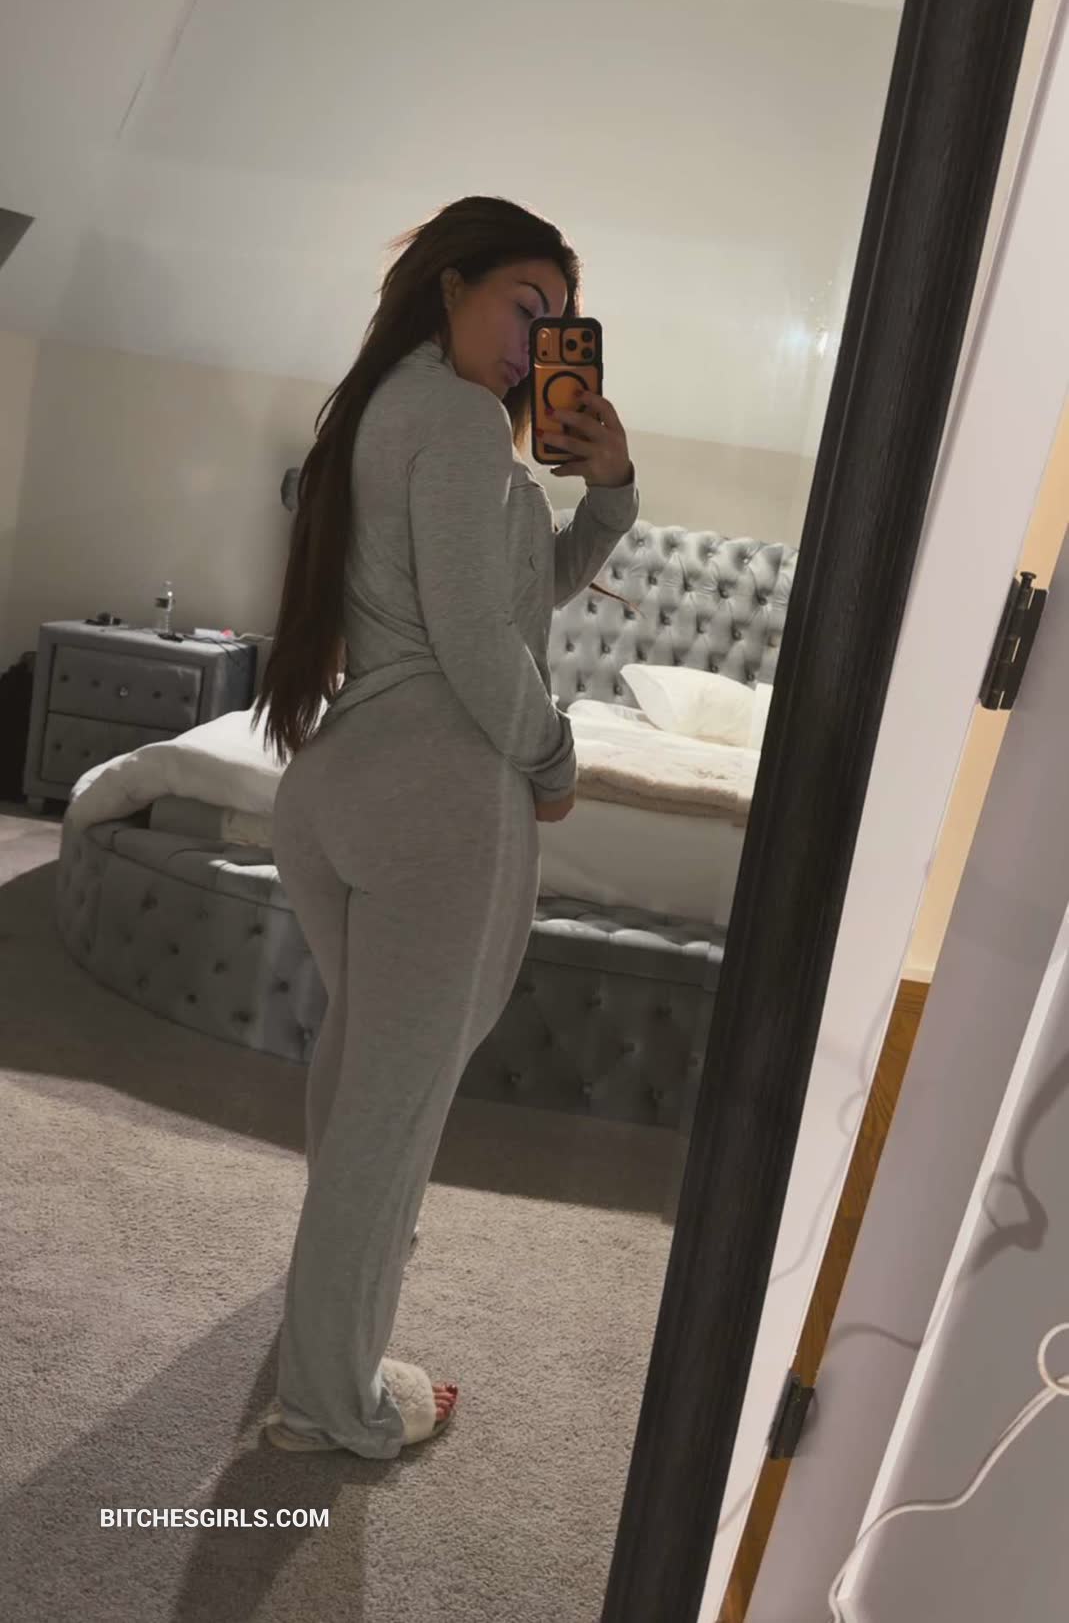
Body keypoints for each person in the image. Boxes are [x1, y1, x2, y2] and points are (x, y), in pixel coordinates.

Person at [252, 194, 639, 1457]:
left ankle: (323, 1325)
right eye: (526, 306)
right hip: (439, 798)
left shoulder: (388, 407)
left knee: (361, 1074)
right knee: (394, 1113)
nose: (538, 344)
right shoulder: (464, 424)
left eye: (559, 321)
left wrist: (608, 495)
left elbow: (515, 594)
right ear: (449, 285)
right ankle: (331, 1400)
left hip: (342, 783)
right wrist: (553, 757)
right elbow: (479, 644)